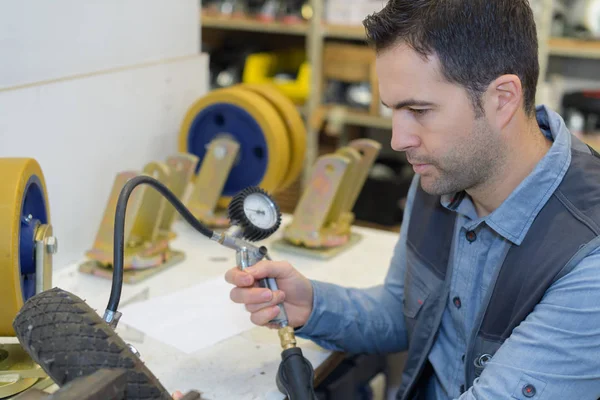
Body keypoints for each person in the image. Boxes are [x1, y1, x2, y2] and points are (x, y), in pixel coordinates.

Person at [225, 0, 600, 399]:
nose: (399, 140)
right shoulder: (443, 172)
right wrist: (314, 305)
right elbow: (404, 311)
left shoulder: (587, 259)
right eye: (394, 111)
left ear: (503, 98)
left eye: (419, 110)